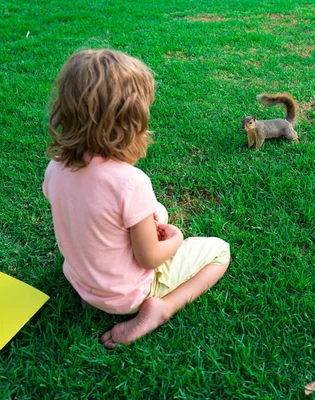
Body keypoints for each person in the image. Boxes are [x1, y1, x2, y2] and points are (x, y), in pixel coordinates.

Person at [43, 49, 231, 349]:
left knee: (158, 213)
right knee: (220, 252)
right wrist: (177, 239)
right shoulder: (130, 183)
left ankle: (93, 297)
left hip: (79, 280)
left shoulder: (55, 168)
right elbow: (150, 258)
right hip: (126, 295)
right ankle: (162, 309)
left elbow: (84, 213)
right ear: (129, 124)